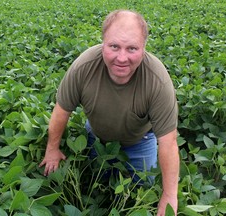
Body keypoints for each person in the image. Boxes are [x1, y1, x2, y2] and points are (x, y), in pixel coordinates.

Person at [39, 9, 180, 216]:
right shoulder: (84, 67)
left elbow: (168, 141)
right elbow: (62, 110)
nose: (122, 58)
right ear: (103, 42)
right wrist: (52, 149)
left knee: (140, 191)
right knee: (96, 182)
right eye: (114, 46)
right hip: (97, 136)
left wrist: (169, 195)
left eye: (132, 48)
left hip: (140, 141)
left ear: (144, 48)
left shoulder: (156, 81)